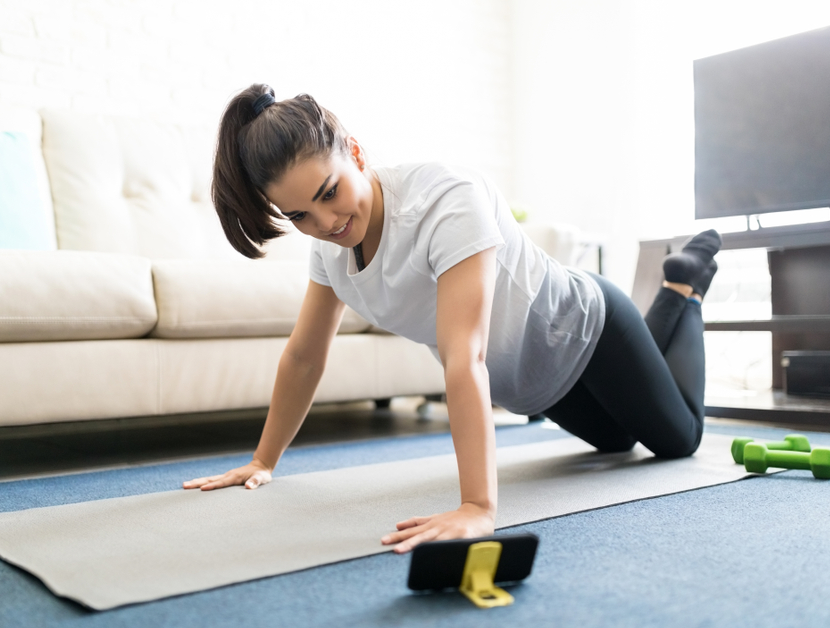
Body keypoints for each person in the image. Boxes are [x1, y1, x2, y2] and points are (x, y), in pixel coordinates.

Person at [182, 84, 722, 554]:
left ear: (355, 152)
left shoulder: (445, 201)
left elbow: (466, 355)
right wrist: (262, 460)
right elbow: (304, 356)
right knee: (615, 443)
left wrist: (477, 507)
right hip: (535, 385)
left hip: (586, 328)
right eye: (300, 215)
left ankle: (684, 288)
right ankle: (673, 301)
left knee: (680, 440)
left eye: (331, 193)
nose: (327, 223)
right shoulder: (328, 250)